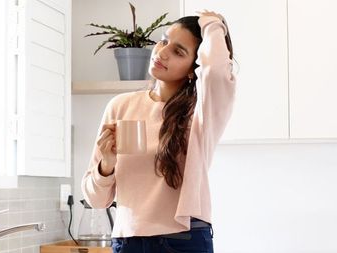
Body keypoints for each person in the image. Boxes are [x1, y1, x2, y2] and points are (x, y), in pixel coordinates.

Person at [81, 10, 235, 253]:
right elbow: (96, 200)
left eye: (178, 51)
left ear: (192, 68)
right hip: (127, 241)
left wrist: (214, 24)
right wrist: (106, 166)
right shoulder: (120, 106)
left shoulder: (202, 113)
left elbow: (216, 71)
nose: (162, 52)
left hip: (183, 239)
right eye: (164, 40)